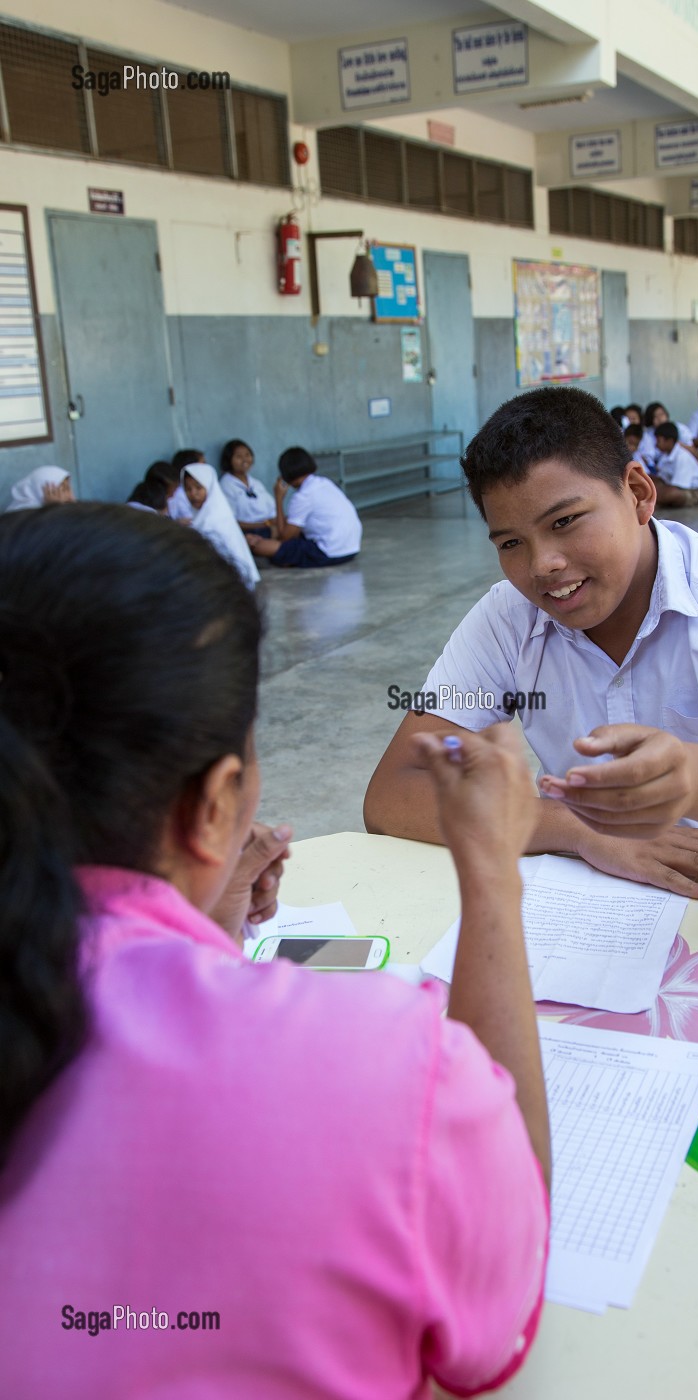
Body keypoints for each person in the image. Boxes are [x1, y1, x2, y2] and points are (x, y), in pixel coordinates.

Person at [0, 504, 549, 1398]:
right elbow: (502, 1296)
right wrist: (490, 872)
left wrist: (198, 928)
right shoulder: (387, 1072)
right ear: (217, 803)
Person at [365, 387, 698, 899]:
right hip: (596, 898)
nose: (542, 565)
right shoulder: (508, 620)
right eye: (511, 543)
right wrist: (579, 829)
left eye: (565, 522)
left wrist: (693, 778)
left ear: (639, 492)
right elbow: (393, 793)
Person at [247, 446, 362, 569]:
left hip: (329, 552)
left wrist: (279, 499)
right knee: (284, 530)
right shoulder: (324, 482)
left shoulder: (302, 496)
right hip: (352, 547)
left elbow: (284, 537)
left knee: (261, 546)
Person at [182, 462, 261, 589]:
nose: (193, 493)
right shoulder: (204, 514)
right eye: (188, 489)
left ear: (210, 487)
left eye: (198, 487)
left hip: (229, 583)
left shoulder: (214, 519)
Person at [654, 422, 698, 505]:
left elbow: (678, 486)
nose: (656, 444)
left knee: (671, 494)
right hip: (671, 484)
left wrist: (659, 491)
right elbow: (662, 477)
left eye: (659, 441)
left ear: (669, 441)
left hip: (691, 490)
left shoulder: (682, 457)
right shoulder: (665, 456)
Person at [218, 438, 277, 536]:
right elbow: (231, 521)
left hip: (267, 526)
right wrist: (263, 525)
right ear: (229, 460)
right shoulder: (226, 485)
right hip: (248, 532)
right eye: (238, 457)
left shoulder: (255, 483)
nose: (245, 460)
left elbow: (272, 509)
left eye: (247, 455)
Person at [5, 466, 74, 511]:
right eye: (63, 489)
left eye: (68, 488)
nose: (71, 497)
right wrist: (52, 508)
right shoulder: (20, 516)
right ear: (40, 491)